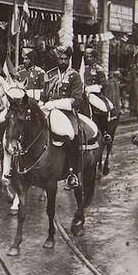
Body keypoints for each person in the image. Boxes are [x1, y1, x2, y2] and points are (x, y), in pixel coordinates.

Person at [44, 45, 84, 189]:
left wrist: (56, 104)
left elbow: (77, 99)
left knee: (71, 136)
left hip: (66, 112)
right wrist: (43, 104)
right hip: (48, 109)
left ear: (69, 59)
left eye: (65, 59)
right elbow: (44, 95)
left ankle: (72, 173)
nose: (62, 61)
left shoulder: (74, 75)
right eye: (60, 58)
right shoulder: (50, 74)